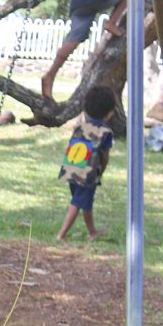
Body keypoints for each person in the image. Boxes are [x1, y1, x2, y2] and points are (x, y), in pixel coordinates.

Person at [58, 86, 118, 241]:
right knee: (77, 202)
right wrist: (101, 170)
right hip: (88, 173)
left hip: (72, 167)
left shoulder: (80, 126)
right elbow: (104, 155)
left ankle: (92, 232)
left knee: (85, 202)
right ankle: (61, 234)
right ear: (110, 112)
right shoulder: (105, 132)